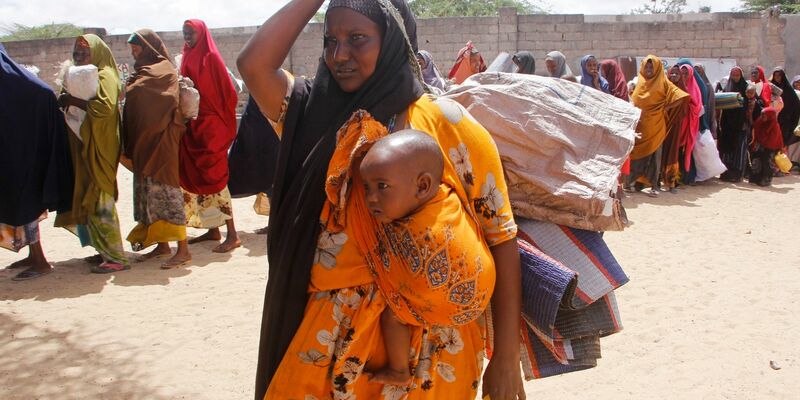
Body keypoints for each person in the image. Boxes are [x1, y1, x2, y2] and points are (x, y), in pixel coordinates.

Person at [237, 0, 523, 399]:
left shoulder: (445, 122)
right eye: (330, 40)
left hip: (431, 348)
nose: (340, 54)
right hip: (330, 337)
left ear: (391, 42)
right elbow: (253, 65)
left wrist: (507, 357)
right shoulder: (310, 114)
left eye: (357, 39)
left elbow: (501, 236)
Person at [344, 129, 494, 385]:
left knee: (393, 316)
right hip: (482, 295)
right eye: (367, 187)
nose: (370, 198)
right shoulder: (448, 196)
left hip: (445, 308)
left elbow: (383, 253)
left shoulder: (411, 234)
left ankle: (399, 370)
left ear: (423, 185)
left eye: (382, 186)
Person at [55, 34, 129, 273]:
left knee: (101, 199)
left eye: (84, 53)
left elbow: (104, 108)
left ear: (96, 53)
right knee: (90, 196)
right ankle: (103, 250)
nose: (79, 57)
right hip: (87, 142)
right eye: (76, 53)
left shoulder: (105, 74)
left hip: (100, 144)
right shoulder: (82, 74)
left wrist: (72, 100)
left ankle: (117, 257)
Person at [1, 43, 74, 281]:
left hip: (21, 155)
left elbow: (41, 95)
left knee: (26, 203)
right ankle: (35, 256)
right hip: (17, 154)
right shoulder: (14, 79)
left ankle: (40, 260)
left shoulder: (14, 81)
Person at [122, 29, 192, 268]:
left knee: (168, 194)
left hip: (162, 142)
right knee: (149, 195)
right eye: (132, 50)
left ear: (149, 48)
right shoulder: (142, 73)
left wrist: (133, 89)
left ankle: (183, 250)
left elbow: (164, 100)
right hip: (144, 142)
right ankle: (162, 246)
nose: (134, 54)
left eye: (137, 49)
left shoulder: (164, 70)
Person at [179, 19, 241, 253]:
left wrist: (216, 115)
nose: (187, 37)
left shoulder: (210, 58)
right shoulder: (187, 56)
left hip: (211, 125)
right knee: (199, 173)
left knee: (215, 176)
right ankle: (213, 229)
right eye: (184, 33)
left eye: (191, 33)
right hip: (194, 124)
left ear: (202, 34)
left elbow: (227, 92)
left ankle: (232, 233)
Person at [628, 55, 689, 197]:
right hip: (640, 127)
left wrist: (665, 107)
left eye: (652, 67)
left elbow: (681, 96)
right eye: (647, 66)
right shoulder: (640, 82)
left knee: (655, 156)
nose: (649, 69)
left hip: (656, 127)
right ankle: (634, 183)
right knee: (637, 155)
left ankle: (655, 186)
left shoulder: (663, 82)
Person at [661, 65, 688, 192]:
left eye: (677, 73)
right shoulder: (665, 88)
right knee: (661, 151)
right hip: (663, 124)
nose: (674, 76)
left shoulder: (682, 89)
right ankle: (658, 179)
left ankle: (671, 181)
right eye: (672, 73)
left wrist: (669, 107)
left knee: (672, 152)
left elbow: (684, 101)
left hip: (675, 126)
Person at [678, 64, 704, 185]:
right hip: (678, 124)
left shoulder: (695, 88)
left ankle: (688, 177)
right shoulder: (676, 86)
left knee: (688, 150)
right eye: (681, 74)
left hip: (689, 124)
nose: (683, 76)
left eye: (685, 74)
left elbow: (697, 107)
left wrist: (688, 100)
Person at [749, 107, 784, 186]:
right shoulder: (759, 121)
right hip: (759, 145)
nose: (762, 117)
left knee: (767, 164)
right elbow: (755, 129)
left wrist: (763, 144)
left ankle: (766, 180)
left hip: (769, 148)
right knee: (757, 161)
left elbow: (773, 140)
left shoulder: (774, 125)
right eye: (762, 115)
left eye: (764, 116)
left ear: (770, 116)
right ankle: (755, 179)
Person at [771, 67, 800, 148]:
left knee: (782, 142)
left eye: (779, 75)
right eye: (775, 75)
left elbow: (795, 105)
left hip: (785, 120)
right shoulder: (771, 87)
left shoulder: (788, 89)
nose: (777, 77)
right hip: (773, 118)